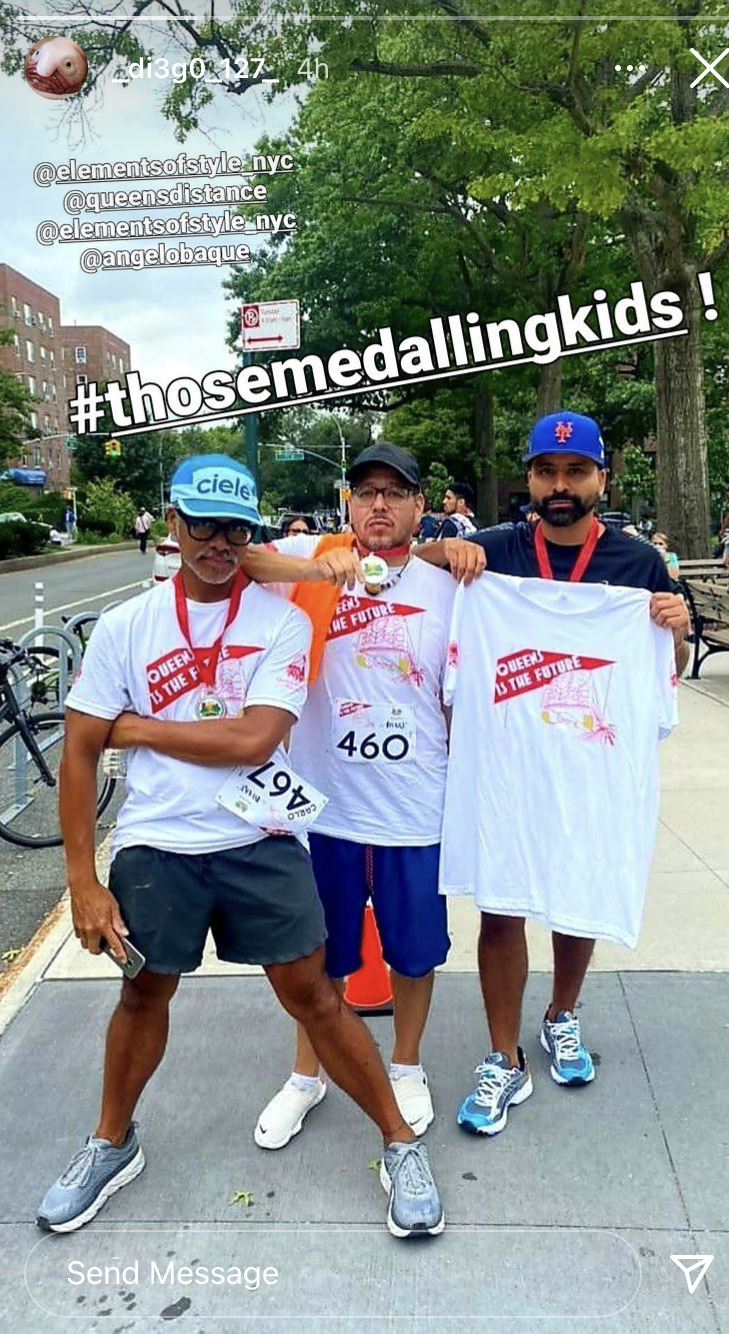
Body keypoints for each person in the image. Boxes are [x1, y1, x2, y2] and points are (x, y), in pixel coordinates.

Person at [38, 452, 444, 1240]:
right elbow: (79, 753)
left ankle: (398, 1141)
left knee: (316, 996)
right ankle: (110, 1142)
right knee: (142, 994)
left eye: (235, 529)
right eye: (202, 525)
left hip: (259, 836)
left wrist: (138, 728)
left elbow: (256, 737)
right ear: (174, 525)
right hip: (157, 845)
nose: (218, 543)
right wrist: (83, 883)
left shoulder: (282, 619)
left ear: (251, 532)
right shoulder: (129, 626)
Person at [420, 411, 690, 1135]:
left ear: (602, 478)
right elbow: (402, 563)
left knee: (580, 892)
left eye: (575, 472)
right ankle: (502, 1056)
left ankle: (561, 1015)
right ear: (531, 479)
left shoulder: (640, 567)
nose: (560, 485)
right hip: (506, 769)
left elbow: (669, 683)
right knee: (501, 903)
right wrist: (446, 554)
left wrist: (677, 630)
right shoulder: (493, 551)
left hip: (588, 770)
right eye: (546, 471)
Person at [238, 443, 456, 1151]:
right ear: (347, 502)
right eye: (366, 493)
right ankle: (308, 1076)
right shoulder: (316, 561)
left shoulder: (447, 584)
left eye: (396, 493)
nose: (380, 506)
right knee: (317, 954)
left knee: (414, 951)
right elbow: (241, 558)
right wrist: (314, 566)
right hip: (323, 805)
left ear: (422, 506)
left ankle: (407, 1064)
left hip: (413, 802)